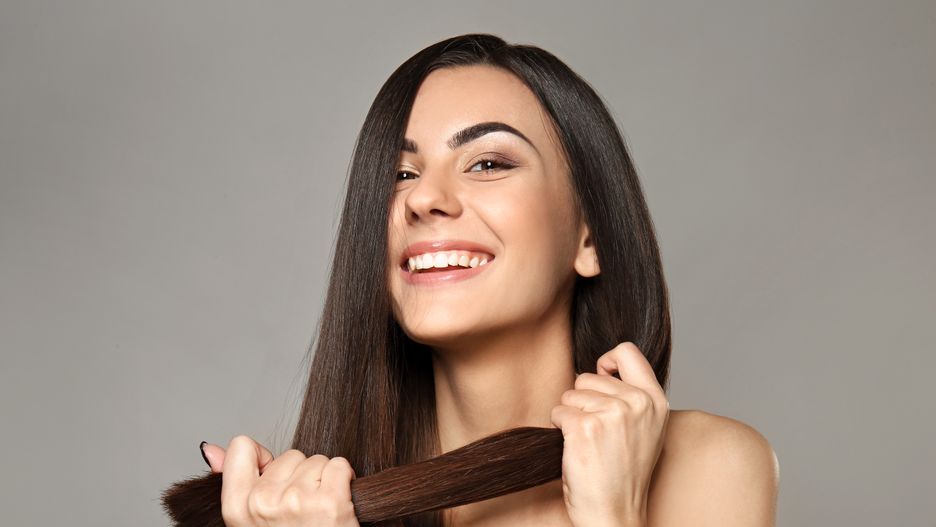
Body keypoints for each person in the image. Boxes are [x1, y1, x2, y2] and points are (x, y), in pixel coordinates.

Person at [198, 34, 779, 526]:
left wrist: (611, 514)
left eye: (488, 163)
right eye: (400, 172)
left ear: (590, 235)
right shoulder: (294, 509)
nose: (423, 197)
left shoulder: (711, 466)